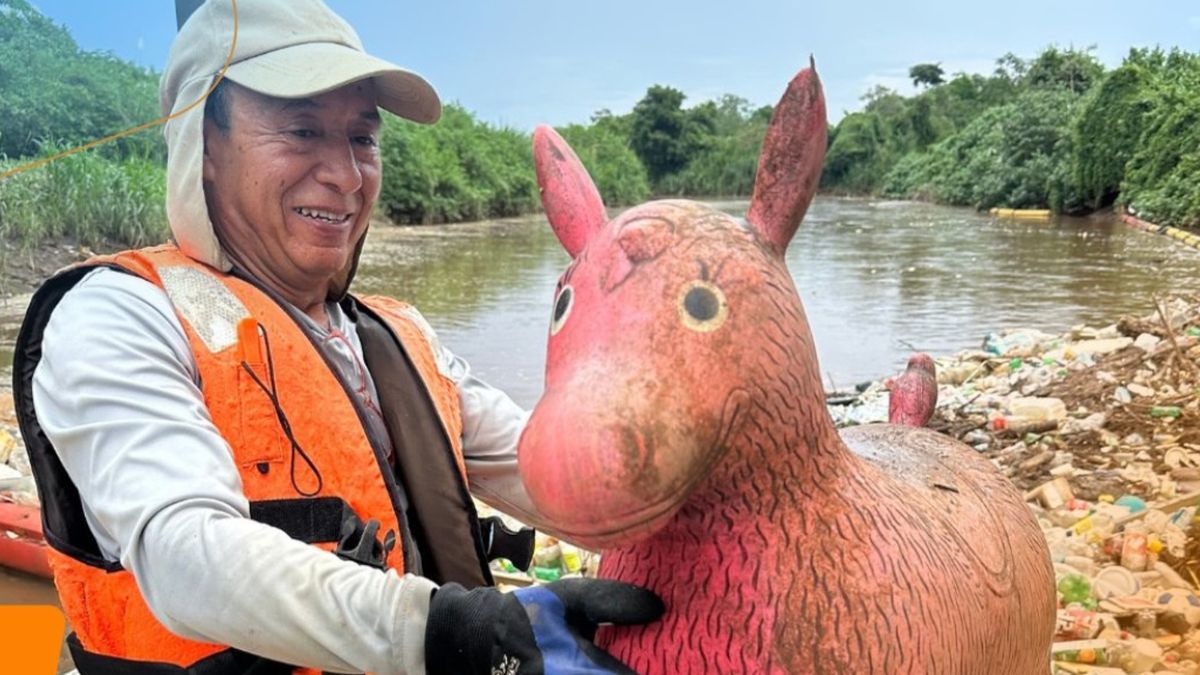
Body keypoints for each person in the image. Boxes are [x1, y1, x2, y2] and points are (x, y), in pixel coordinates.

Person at [12, 1, 662, 673]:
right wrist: (446, 630)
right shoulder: (117, 313)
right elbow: (184, 556)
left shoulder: (398, 333)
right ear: (204, 146)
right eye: (301, 130)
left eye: (362, 138)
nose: (347, 176)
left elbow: (565, 480)